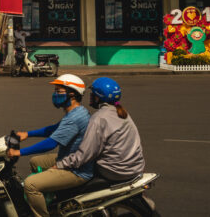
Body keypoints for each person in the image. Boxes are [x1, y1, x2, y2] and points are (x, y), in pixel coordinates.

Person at [9, 75, 92, 217]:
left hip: (77, 170)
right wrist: (28, 134)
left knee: (30, 185)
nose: (54, 95)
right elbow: (54, 129)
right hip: (71, 158)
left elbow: (51, 143)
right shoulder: (76, 112)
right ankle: (55, 200)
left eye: (58, 91)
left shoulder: (74, 118)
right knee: (36, 161)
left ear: (72, 94)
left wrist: (19, 152)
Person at [56, 77, 145, 183]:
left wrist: (60, 164)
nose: (90, 97)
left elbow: (85, 154)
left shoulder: (99, 118)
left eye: (92, 94)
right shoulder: (123, 113)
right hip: (135, 168)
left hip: (115, 172)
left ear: (98, 97)